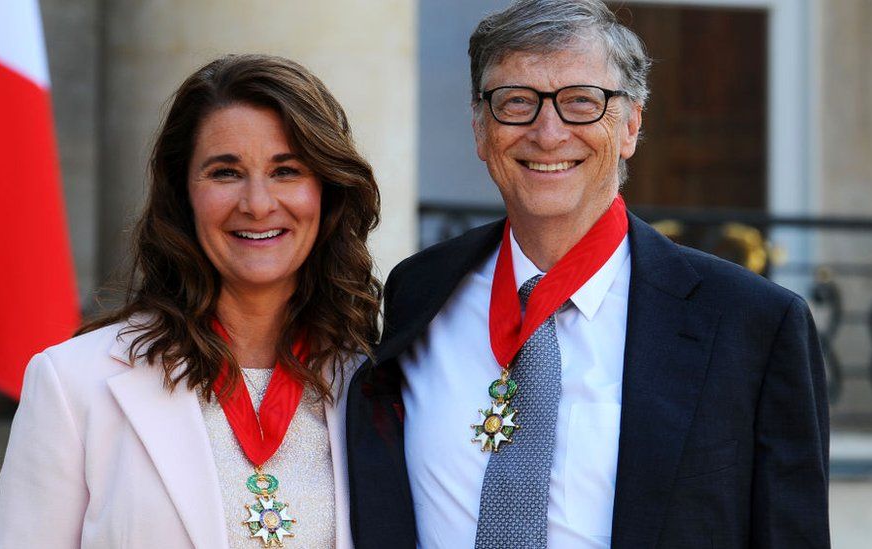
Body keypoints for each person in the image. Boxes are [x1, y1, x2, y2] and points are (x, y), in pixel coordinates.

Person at [346, 1, 829, 548]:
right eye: (516, 102)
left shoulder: (753, 325)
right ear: (480, 131)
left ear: (630, 126)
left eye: (581, 102)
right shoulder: (420, 290)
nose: (548, 133)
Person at [0, 54, 380, 549]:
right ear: (182, 193)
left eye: (287, 171)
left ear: (326, 191)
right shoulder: (72, 385)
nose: (258, 203)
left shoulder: (370, 384)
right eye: (225, 172)